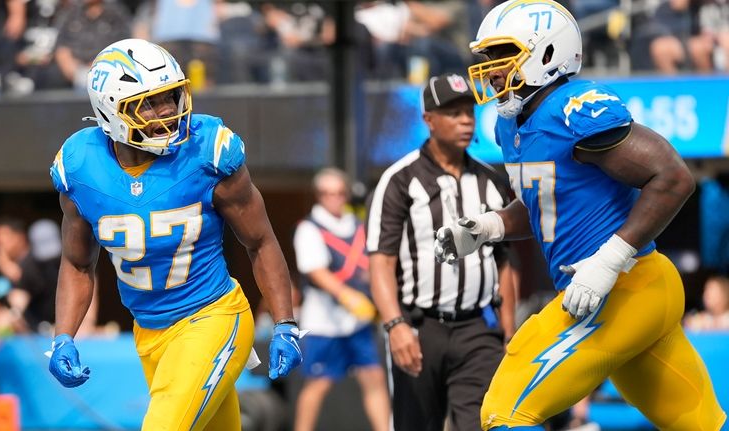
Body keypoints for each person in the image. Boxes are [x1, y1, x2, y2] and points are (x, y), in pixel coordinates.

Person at [434, 1, 727, 429]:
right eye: (489, 58)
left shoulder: (575, 109)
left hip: (624, 287)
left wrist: (608, 261)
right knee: (702, 424)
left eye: (503, 55)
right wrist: (490, 226)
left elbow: (673, 177)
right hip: (623, 292)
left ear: (546, 54)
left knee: (505, 410)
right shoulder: (510, 125)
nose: (492, 69)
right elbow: (546, 200)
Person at [46, 38, 303, 430]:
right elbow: (78, 263)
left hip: (213, 317)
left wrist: (285, 322)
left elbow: (260, 240)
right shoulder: (80, 165)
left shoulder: (207, 149)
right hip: (149, 333)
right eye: (149, 103)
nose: (167, 111)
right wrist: (63, 335)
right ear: (110, 110)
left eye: (170, 97)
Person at [366, 72, 517, 431]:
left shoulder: (491, 181)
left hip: (479, 329)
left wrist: (509, 327)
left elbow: (505, 260)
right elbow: (380, 262)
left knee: (483, 423)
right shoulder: (399, 180)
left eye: (469, 112)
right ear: (429, 120)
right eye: (454, 113)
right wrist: (395, 326)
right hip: (421, 327)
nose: (466, 120)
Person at [293, 167, 391, 431]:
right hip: (324, 321)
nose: (333, 198)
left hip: (357, 323)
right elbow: (315, 270)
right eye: (326, 193)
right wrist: (347, 296)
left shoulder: (359, 227)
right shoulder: (309, 228)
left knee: (374, 377)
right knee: (318, 384)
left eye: (338, 192)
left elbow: (372, 265)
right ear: (318, 195)